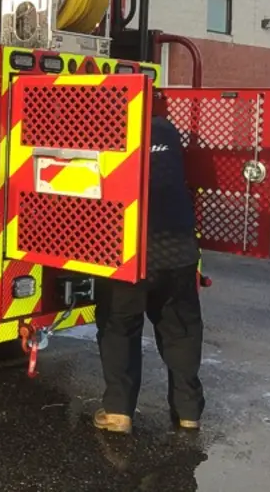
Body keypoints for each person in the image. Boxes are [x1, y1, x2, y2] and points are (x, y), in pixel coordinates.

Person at [92, 109, 205, 434]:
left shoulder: (108, 127)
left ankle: (118, 413)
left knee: (120, 327)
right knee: (181, 331)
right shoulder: (167, 129)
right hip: (179, 249)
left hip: (127, 249)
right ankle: (188, 412)